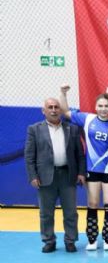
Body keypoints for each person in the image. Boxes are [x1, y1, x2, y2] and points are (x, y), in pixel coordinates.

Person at [58, 85, 108, 251]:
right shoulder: (87, 119)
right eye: (100, 106)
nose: (103, 109)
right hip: (92, 170)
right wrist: (63, 93)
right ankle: (92, 239)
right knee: (92, 203)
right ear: (95, 107)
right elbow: (65, 111)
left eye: (106, 106)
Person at [24, 97, 86, 253]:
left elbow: (80, 154)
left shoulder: (72, 129)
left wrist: (81, 173)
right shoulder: (34, 129)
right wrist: (33, 176)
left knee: (71, 212)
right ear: (43, 111)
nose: (53, 110)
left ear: (61, 110)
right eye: (50, 107)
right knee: (46, 213)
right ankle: (49, 241)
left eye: (56, 107)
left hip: (68, 175)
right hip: (45, 177)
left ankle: (70, 241)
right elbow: (29, 156)